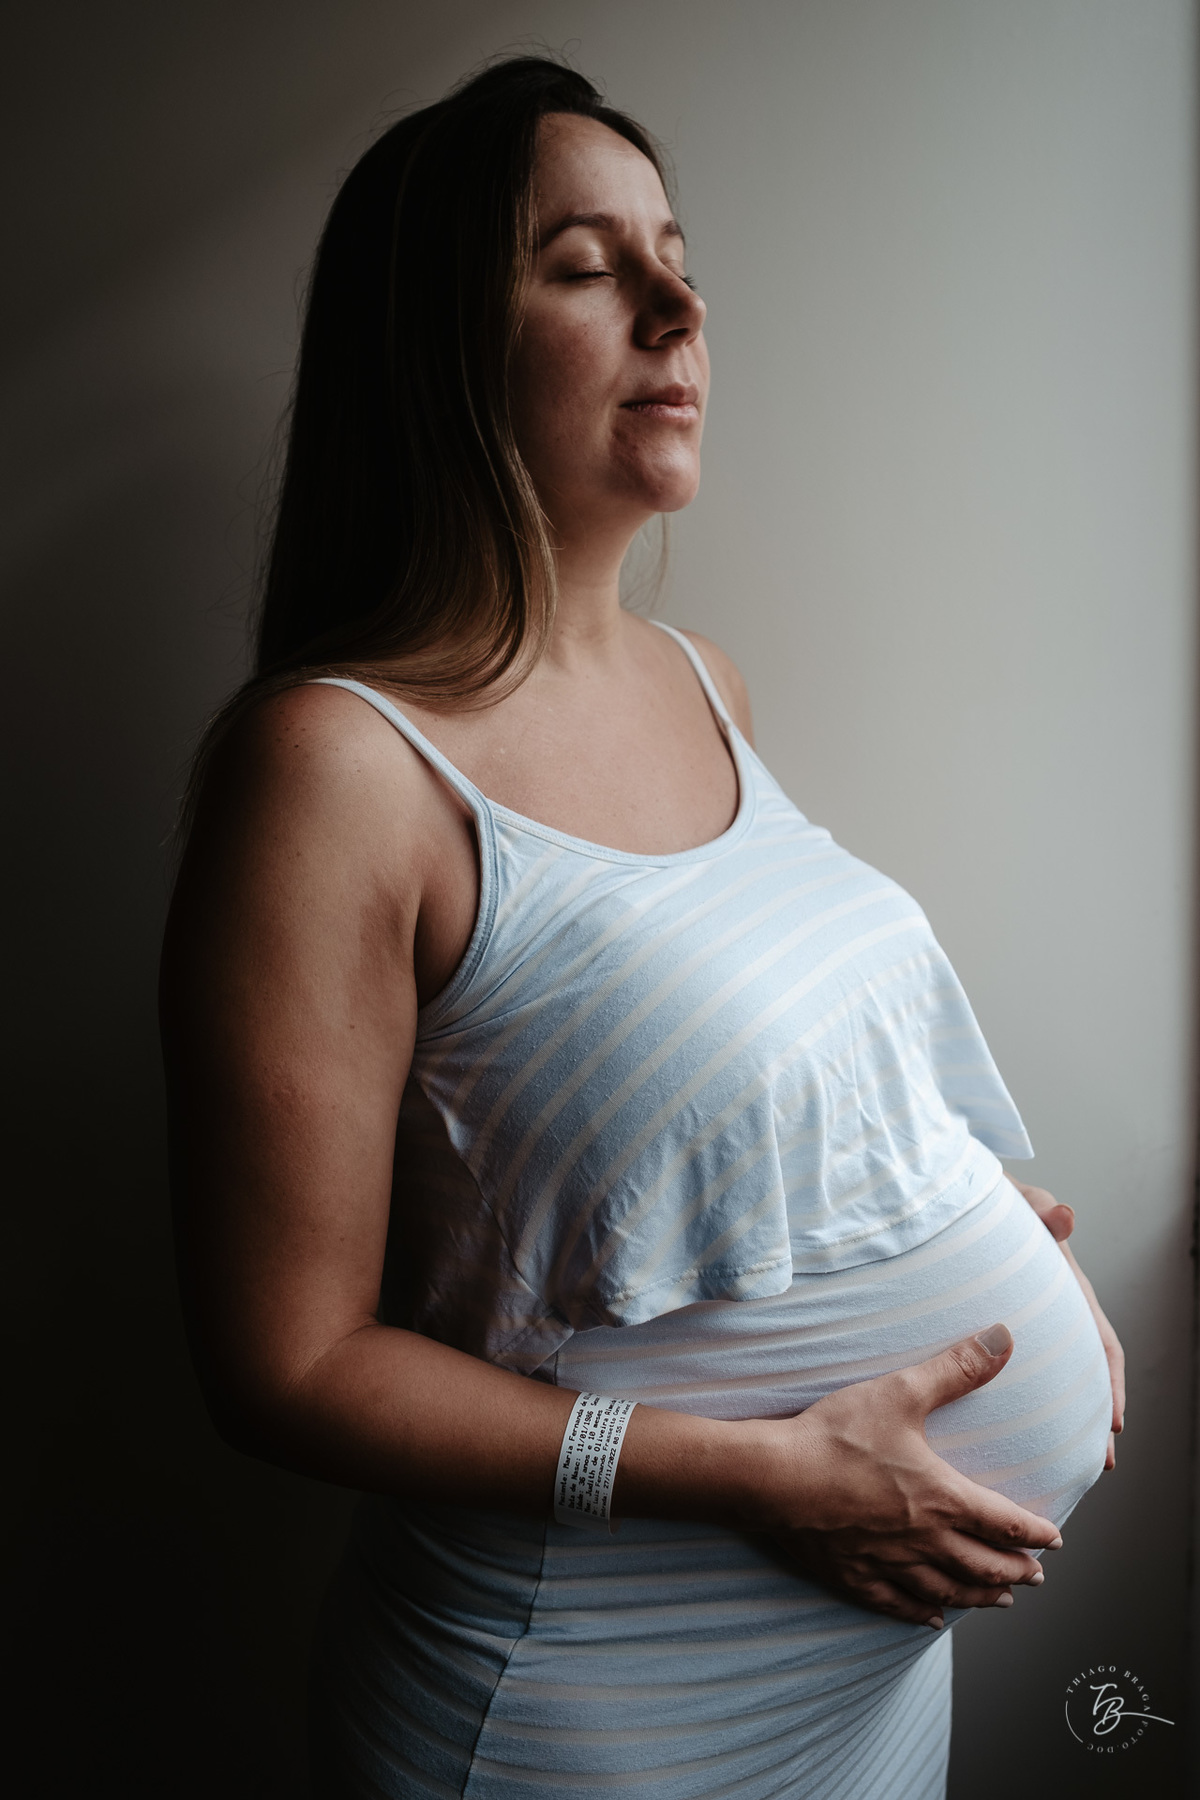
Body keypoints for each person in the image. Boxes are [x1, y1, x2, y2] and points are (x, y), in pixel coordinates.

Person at [160, 56, 1124, 1800]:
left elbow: (712, 1112)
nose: (680, 301)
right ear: (440, 352)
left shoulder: (707, 682)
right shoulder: (336, 769)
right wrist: (764, 1475)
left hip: (870, 1698)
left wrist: (973, 1214)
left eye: (675, 253)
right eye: (585, 265)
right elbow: (285, 1363)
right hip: (590, 1717)